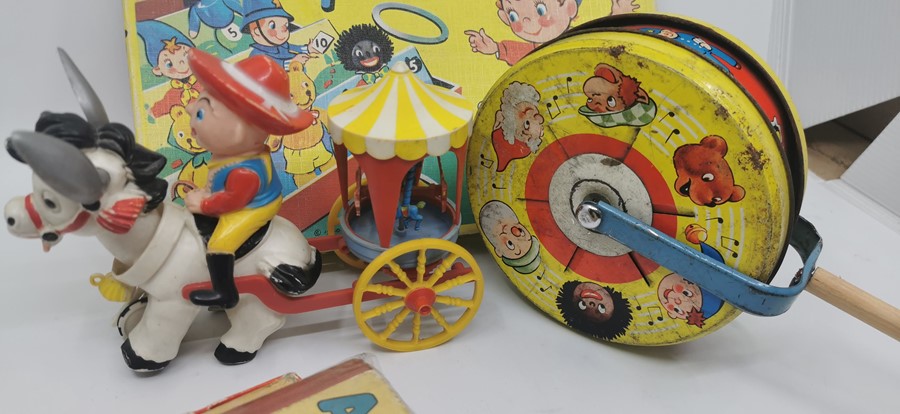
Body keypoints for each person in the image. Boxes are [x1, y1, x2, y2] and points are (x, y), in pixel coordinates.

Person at [183, 49, 315, 308]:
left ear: (239, 129)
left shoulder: (244, 172)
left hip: (254, 208)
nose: (191, 118)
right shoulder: (233, 156)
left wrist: (205, 204)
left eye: (201, 113)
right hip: (240, 198)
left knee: (221, 241)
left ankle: (225, 293)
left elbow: (233, 200)